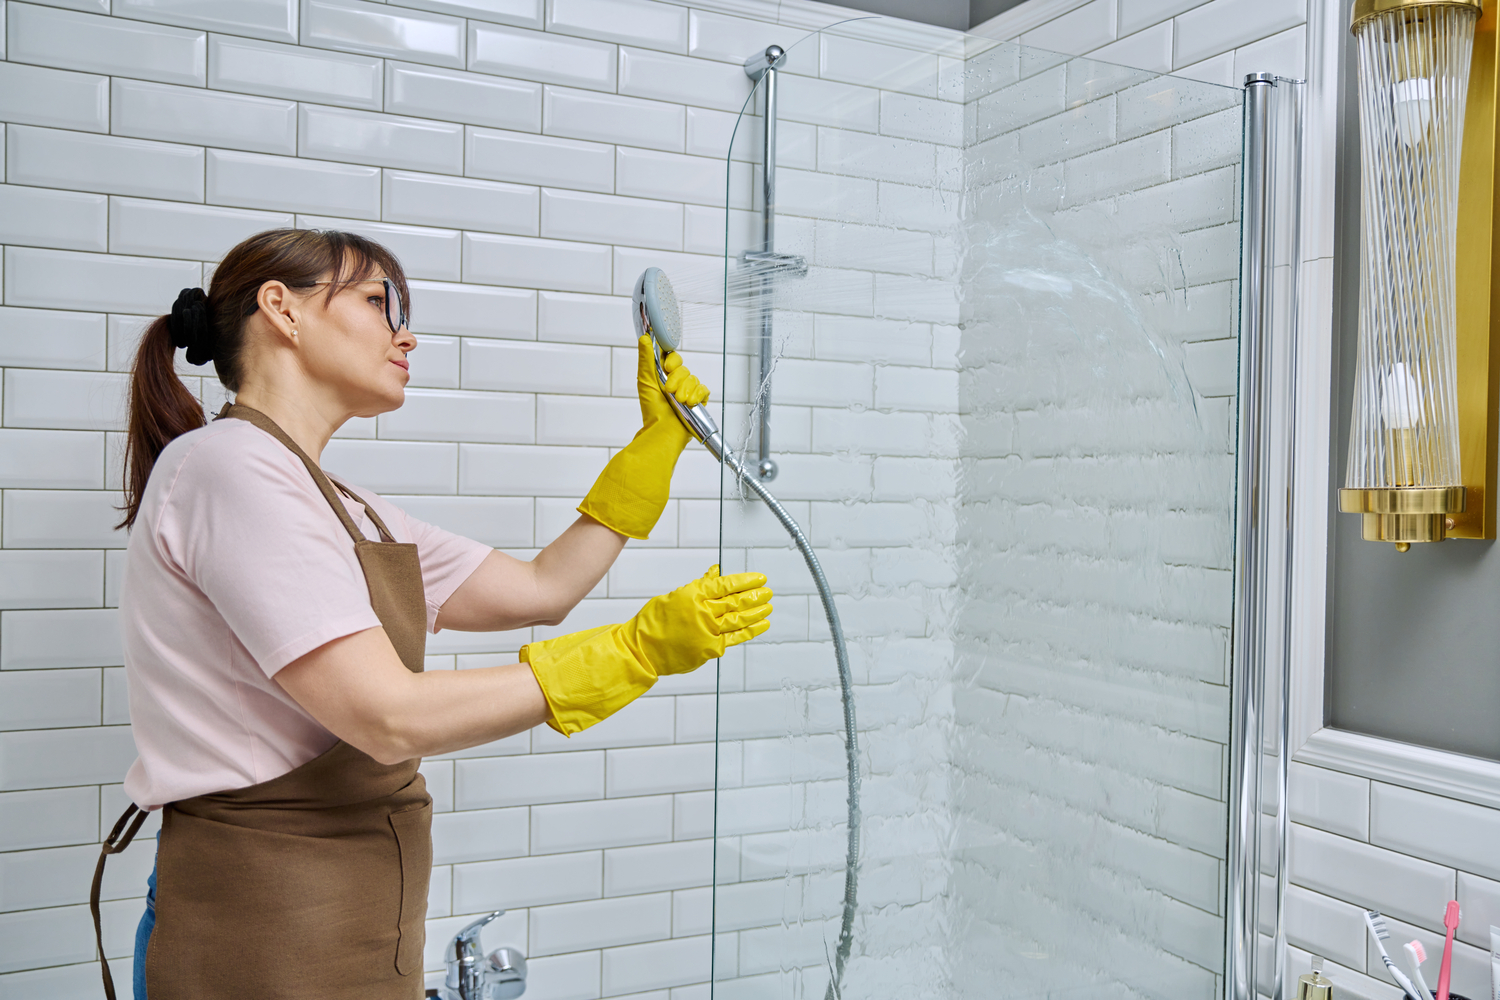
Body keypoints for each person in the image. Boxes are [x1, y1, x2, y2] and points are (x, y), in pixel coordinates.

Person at [90, 228, 774, 1000]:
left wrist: (655, 446)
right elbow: (387, 715)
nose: (405, 333)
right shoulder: (228, 469)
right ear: (280, 309)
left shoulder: (347, 507)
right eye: (379, 303)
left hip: (355, 925)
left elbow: (542, 588)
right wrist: (633, 653)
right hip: (259, 933)